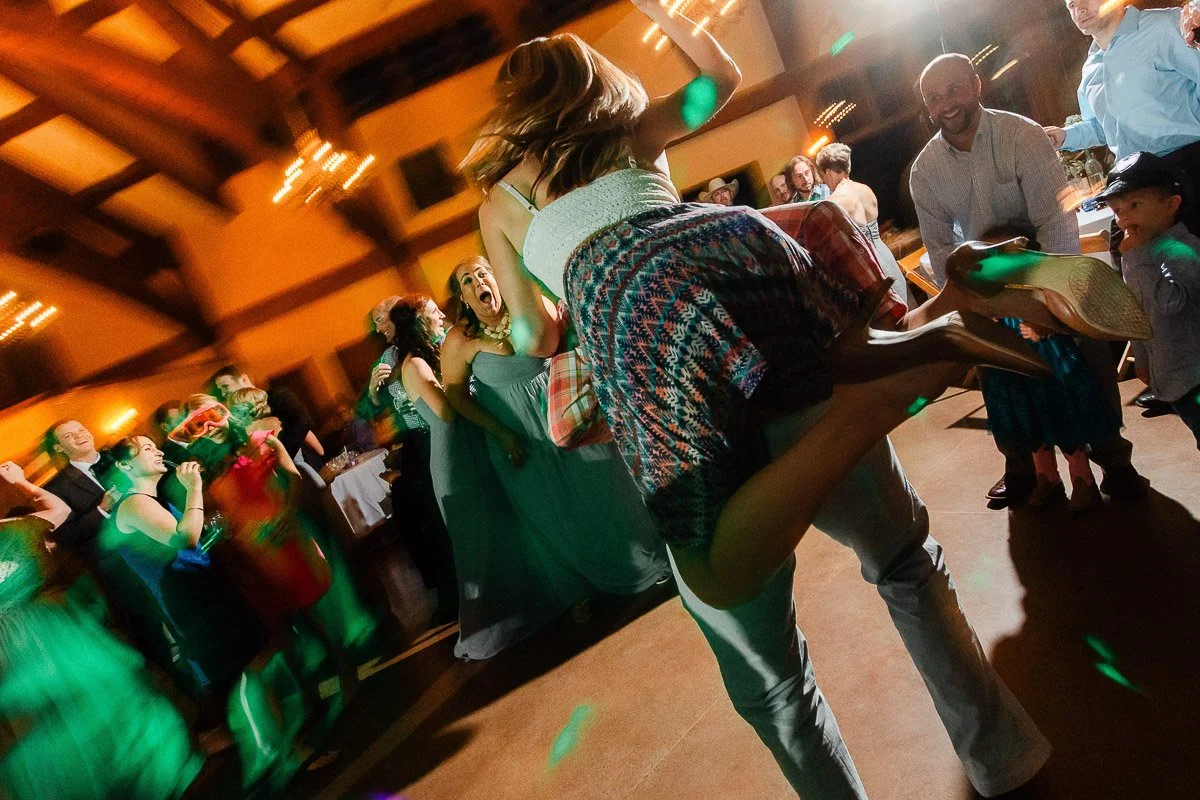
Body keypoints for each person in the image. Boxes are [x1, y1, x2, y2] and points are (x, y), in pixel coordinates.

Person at [462, 4, 1051, 796]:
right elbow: (721, 79)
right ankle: (1005, 759)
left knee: (765, 669)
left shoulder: (499, 200)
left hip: (650, 331)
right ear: (592, 82)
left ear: (510, 108)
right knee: (904, 561)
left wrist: (564, 291)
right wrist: (663, 15)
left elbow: (533, 335)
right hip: (738, 249)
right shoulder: (629, 130)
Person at [910, 53, 1144, 507]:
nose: (946, 105)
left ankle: (1114, 460)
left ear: (976, 85)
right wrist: (974, 302)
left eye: (954, 90)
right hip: (985, 282)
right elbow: (939, 248)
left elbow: (1055, 220)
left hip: (1043, 262)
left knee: (1081, 348)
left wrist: (1053, 298)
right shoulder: (925, 170)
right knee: (996, 367)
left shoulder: (1022, 134)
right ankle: (1024, 469)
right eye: (934, 98)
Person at [439, 257, 669, 600]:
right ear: (463, 298)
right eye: (468, 281)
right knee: (552, 512)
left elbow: (568, 345)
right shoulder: (457, 341)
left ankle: (642, 561)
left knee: (606, 488)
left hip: (564, 413)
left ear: (498, 277)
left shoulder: (529, 307)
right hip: (517, 433)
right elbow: (456, 395)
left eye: (483, 272)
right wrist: (500, 432)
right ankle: (578, 589)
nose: (478, 281)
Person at [390, 293, 582, 658]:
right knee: (474, 539)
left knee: (498, 529)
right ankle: (484, 625)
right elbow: (445, 413)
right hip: (452, 458)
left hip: (469, 449)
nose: (439, 315)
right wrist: (460, 388)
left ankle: (525, 599)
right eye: (431, 312)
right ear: (417, 323)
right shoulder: (414, 365)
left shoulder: (436, 353)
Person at [0, 460, 203, 800]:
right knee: (55, 732)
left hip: (53, 634)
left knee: (108, 710)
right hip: (13, 655)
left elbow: (59, 508)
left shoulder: (11, 528)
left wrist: (21, 483)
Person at [1048, 1, 1200, 234]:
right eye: (1071, 4)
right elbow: (1102, 128)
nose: (1078, 9)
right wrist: (1065, 136)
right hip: (1134, 184)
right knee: (1136, 265)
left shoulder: (1163, 26)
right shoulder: (1090, 69)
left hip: (1187, 169)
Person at [1095, 151, 1200, 448]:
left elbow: (1170, 304)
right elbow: (1136, 309)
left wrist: (1137, 257)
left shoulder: (1185, 251)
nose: (1124, 216)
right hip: (1173, 378)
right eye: (1117, 210)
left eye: (1135, 204)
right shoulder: (1138, 252)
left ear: (1171, 205)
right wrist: (1141, 357)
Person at [815, 142, 911, 306]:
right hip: (885, 255)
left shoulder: (834, 202)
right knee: (906, 310)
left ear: (828, 171)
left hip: (868, 268)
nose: (825, 182)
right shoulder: (866, 189)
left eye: (823, 177)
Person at [209, 366, 326, 471]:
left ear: (244, 379)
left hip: (309, 467)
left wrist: (277, 462)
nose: (224, 394)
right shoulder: (239, 419)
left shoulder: (277, 397)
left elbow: (303, 422)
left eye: (225, 386)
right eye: (221, 390)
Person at [42, 419, 119, 560]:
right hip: (114, 558)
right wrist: (102, 510)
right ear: (59, 448)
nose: (79, 436)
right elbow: (65, 537)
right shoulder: (56, 488)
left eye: (81, 430)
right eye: (68, 436)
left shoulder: (119, 455)